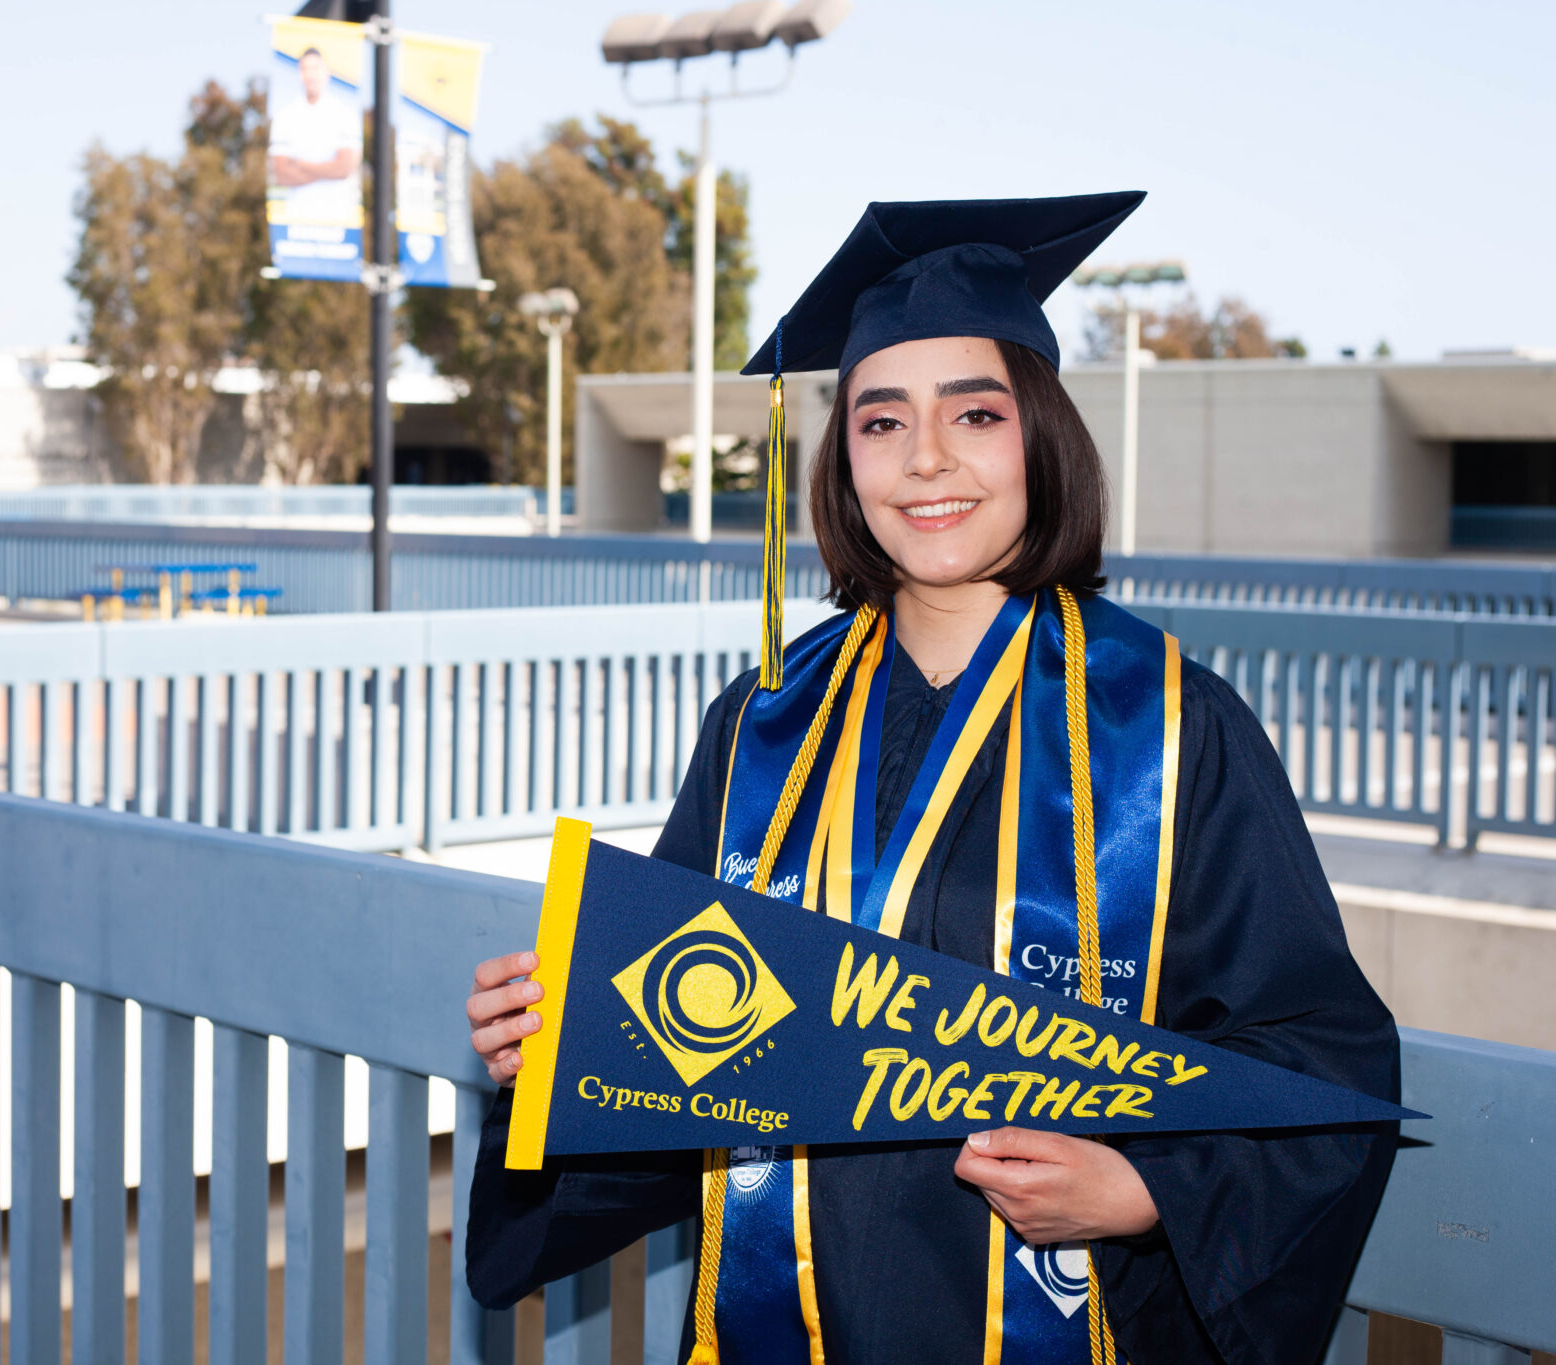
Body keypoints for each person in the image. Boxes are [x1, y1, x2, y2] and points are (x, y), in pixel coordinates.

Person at [462, 193, 1399, 1365]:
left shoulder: (1167, 726)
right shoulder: (762, 723)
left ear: (1039, 436)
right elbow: (682, 1044)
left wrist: (1145, 1186)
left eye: (975, 412)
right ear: (840, 459)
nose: (926, 460)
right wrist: (563, 1044)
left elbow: (1316, 1052)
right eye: (878, 422)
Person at [268, 46, 361, 226]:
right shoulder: (285, 116)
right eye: (305, 69)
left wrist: (301, 165)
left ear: (327, 72)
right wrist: (328, 170)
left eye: (315, 68)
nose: (310, 75)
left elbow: (343, 169)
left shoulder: (344, 114)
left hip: (339, 223)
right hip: (296, 223)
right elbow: (282, 174)